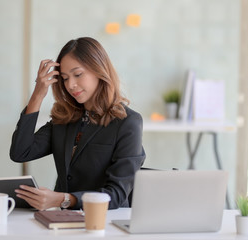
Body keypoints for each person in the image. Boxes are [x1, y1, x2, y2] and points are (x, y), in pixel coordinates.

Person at [10, 37, 146, 210]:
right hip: (62, 221)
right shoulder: (65, 118)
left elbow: (117, 194)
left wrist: (64, 199)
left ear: (99, 70)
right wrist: (37, 95)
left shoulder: (128, 123)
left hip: (106, 224)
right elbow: (20, 152)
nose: (71, 85)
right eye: (65, 78)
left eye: (78, 74)